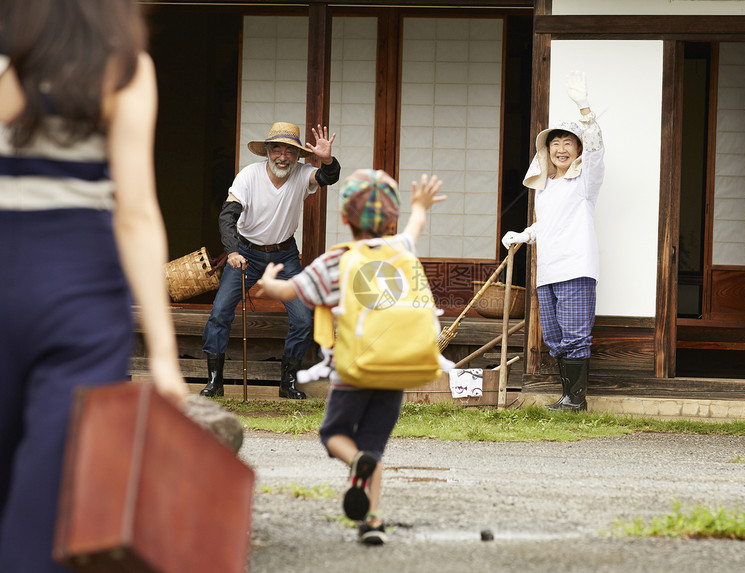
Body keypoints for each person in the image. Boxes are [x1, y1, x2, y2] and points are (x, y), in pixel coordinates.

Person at [0, 1, 188, 571]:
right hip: (80, 297)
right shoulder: (124, 67)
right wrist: (162, 354)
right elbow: (134, 213)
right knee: (47, 518)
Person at [258, 169, 445, 545]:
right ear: (391, 219)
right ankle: (373, 522)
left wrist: (267, 283)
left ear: (344, 218)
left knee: (336, 435)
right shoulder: (402, 249)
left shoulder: (336, 262)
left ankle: (357, 466)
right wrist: (420, 205)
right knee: (373, 448)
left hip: (354, 372)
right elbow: (416, 225)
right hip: (396, 371)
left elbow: (291, 290)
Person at [200, 121, 340, 399]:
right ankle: (215, 381)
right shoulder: (249, 176)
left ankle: (288, 383)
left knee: (302, 318)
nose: (283, 157)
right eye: (277, 149)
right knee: (219, 313)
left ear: (298, 156)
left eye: (290, 152)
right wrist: (233, 251)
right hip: (246, 253)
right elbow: (228, 216)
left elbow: (327, 178)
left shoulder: (302, 174)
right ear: (267, 151)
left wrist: (327, 160)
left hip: (285, 255)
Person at [502, 70, 605, 412]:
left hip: (575, 269)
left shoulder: (584, 180)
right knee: (555, 339)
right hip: (548, 271)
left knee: (575, 336)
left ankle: (577, 401)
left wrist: (585, 110)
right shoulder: (545, 189)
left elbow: (596, 151)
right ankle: (567, 397)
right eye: (555, 143)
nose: (561, 149)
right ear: (546, 151)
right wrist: (525, 234)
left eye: (568, 143)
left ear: (576, 149)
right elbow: (547, 225)